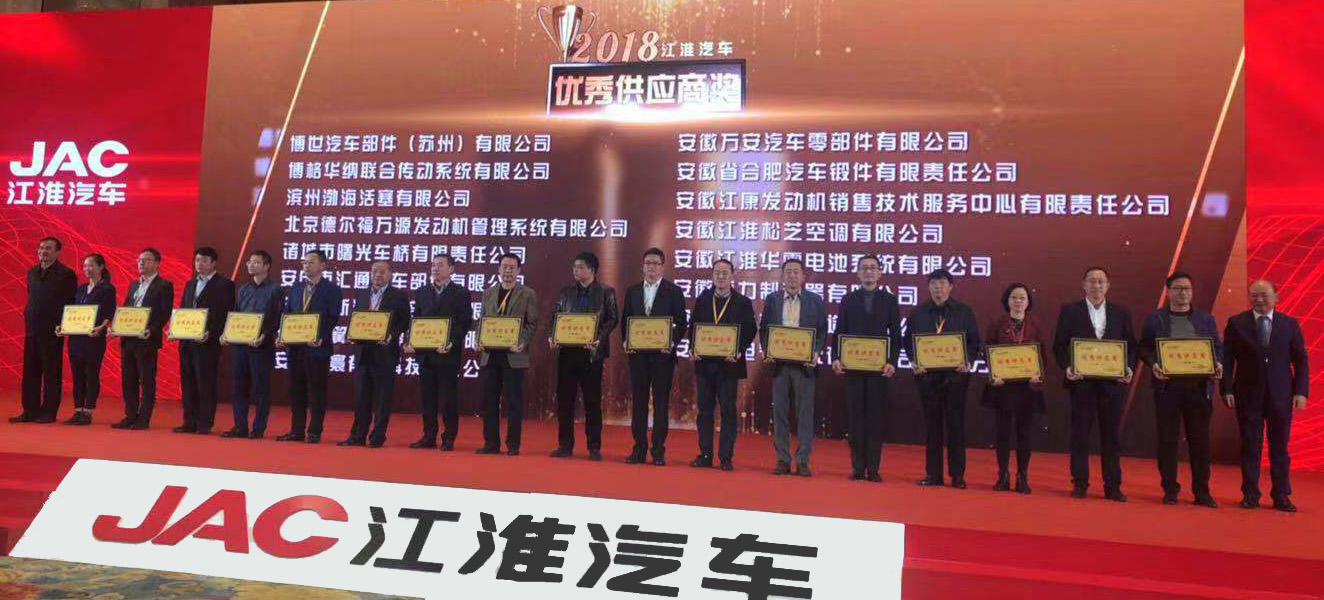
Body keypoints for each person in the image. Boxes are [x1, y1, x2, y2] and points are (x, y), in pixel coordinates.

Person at [1221, 280, 1310, 512]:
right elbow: (1227, 359)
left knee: (1279, 447)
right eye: (1254, 295)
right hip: (1247, 393)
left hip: (1281, 394)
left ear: (1276, 297)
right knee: (1250, 445)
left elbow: (1300, 360)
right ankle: (1250, 494)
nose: (1259, 299)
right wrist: (1227, 389)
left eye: (1264, 295)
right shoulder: (1236, 323)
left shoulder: (1289, 324)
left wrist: (1301, 392)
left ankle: (1281, 495)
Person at [1138, 272, 1223, 508]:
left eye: (1187, 288)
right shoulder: (1156, 318)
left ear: (1192, 292)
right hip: (1168, 387)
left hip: (1199, 388)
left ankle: (1202, 491)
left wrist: (1218, 363)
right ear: (1168, 292)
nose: (1183, 293)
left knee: (1200, 441)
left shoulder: (1205, 320)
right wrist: (1154, 364)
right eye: (1178, 288)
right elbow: (1144, 347)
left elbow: (1217, 348)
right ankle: (1170, 489)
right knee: (1167, 440)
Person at [1052, 266, 1137, 502]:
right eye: (1092, 281)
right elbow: (1059, 345)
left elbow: (1131, 345)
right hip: (1082, 384)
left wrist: (1128, 368)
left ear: (1108, 285)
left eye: (1101, 281)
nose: (1096, 285)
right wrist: (1068, 367)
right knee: (1080, 435)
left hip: (1112, 385)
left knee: (1111, 437)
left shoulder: (1121, 312)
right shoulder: (1070, 311)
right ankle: (1080, 483)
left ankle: (1113, 486)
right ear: (1083, 285)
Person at [905, 268, 981, 488]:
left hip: (956, 377)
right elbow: (908, 341)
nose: (938, 287)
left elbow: (974, 342)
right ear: (929, 287)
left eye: (942, 283)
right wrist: (914, 361)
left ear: (951, 287)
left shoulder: (964, 311)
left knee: (956, 425)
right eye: (934, 283)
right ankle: (934, 474)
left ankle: (957, 475)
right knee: (932, 427)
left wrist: (967, 360)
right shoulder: (918, 313)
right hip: (928, 378)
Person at [831, 254, 902, 483]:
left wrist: (892, 360)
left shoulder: (889, 300)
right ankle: (857, 467)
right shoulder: (848, 299)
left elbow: (896, 335)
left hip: (878, 369)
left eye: (873, 268)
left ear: (880, 272)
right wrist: (836, 357)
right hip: (853, 368)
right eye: (864, 268)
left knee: (874, 418)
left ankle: (873, 468)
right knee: (855, 418)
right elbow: (839, 331)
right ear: (858, 273)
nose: (869, 271)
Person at [759, 258, 828, 477]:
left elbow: (822, 331)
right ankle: (782, 459)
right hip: (779, 366)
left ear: (803, 276)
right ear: (782, 276)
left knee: (805, 414)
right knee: (779, 413)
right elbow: (764, 329)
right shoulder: (772, 300)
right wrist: (767, 350)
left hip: (804, 367)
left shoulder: (815, 300)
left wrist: (816, 352)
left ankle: (803, 460)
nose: (792, 275)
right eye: (788, 271)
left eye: (796, 272)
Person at [548, 251, 619, 461]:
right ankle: (565, 445)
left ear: (592, 270)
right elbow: (556, 317)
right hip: (568, 353)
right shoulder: (566, 292)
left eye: (580, 267)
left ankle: (594, 447)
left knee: (592, 401)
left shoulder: (606, 292)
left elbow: (612, 318)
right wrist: (553, 336)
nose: (576, 270)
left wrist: (599, 337)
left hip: (592, 354)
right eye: (574, 267)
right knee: (565, 400)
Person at [619, 247, 688, 466]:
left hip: (662, 357)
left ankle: (658, 450)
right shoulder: (633, 291)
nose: (651, 267)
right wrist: (626, 341)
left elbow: (682, 323)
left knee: (661, 403)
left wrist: (672, 342)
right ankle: (638, 449)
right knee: (638, 402)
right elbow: (625, 320)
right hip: (638, 356)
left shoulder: (674, 291)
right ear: (643, 266)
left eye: (655, 263)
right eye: (648, 263)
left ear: (662, 267)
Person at [688, 259, 757, 472]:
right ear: (712, 276)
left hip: (729, 366)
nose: (720, 276)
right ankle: (705, 454)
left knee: (728, 411)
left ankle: (726, 457)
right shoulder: (703, 299)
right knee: (704, 411)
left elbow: (750, 330)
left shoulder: (742, 302)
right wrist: (693, 348)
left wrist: (739, 350)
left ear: (732, 276)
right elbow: (694, 327)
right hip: (705, 365)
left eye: (725, 273)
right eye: (717, 272)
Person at [981, 283, 1047, 494]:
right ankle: (1003, 475)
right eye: (1014, 297)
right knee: (1003, 433)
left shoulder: (1035, 326)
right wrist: (994, 374)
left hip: (1027, 388)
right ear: (1007, 301)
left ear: (1028, 302)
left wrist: (1038, 375)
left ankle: (1022, 476)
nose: (1018, 301)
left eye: (1022, 298)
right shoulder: (997, 324)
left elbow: (1042, 356)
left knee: (1024, 434)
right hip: (1003, 388)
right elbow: (988, 352)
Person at [404, 254, 472, 451]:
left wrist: (451, 342)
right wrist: (410, 341)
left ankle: (449, 437)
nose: (435, 268)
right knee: (427, 399)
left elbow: (464, 323)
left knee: (448, 399)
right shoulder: (422, 292)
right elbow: (416, 320)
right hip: (425, 355)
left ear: (451, 269)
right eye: (433, 265)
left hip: (447, 353)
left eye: (440, 265)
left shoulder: (461, 293)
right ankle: (429, 436)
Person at [340, 261, 410, 448]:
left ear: (390, 275)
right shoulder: (362, 293)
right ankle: (357, 435)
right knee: (361, 397)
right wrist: (351, 333)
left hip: (385, 353)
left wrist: (392, 334)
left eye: (382, 272)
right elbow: (357, 318)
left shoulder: (399, 296)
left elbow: (405, 322)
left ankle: (377, 436)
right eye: (374, 272)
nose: (377, 275)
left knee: (382, 399)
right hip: (363, 352)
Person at [476, 252, 539, 456]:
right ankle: (491, 443)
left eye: (512, 267)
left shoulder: (528, 294)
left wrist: (523, 342)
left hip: (514, 355)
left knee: (514, 402)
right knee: (489, 401)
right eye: (504, 266)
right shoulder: (489, 293)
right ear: (498, 269)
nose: (508, 271)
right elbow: (482, 320)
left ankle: (513, 444)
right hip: (490, 354)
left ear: (519, 270)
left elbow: (532, 323)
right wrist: (479, 340)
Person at [276, 250, 342, 444]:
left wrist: (320, 336)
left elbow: (332, 317)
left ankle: (314, 431)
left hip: (317, 348)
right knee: (296, 390)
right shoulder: (296, 287)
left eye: (311, 262)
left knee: (317, 391)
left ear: (323, 266)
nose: (306, 265)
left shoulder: (332, 290)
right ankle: (296, 430)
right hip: (295, 347)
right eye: (304, 262)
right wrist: (282, 335)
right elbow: (288, 314)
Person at [11, 236, 76, 423]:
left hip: (53, 330)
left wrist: (64, 325)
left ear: (57, 252)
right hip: (32, 328)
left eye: (48, 248)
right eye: (41, 248)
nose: (43, 251)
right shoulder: (32, 272)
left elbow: (70, 302)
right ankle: (29, 410)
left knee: (51, 371)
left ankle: (48, 411)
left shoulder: (66, 274)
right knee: (30, 370)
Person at [222, 250, 284, 439]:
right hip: (241, 345)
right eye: (249, 262)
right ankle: (240, 426)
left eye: (256, 262)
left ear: (267, 266)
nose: (251, 265)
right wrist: (227, 333)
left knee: (261, 388)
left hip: (261, 346)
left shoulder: (275, 290)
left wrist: (265, 335)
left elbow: (277, 318)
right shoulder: (243, 290)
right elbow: (236, 315)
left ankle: (258, 428)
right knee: (239, 386)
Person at [175, 247, 235, 435]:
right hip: (187, 340)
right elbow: (183, 309)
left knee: (205, 382)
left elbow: (226, 314)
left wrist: (212, 333)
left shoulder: (225, 284)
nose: (199, 264)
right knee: (188, 382)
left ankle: (204, 423)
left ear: (213, 263)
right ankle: (189, 421)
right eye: (197, 260)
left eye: (204, 261)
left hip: (208, 342)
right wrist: (177, 329)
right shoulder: (190, 283)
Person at [114, 248, 174, 430]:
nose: (141, 263)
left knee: (146, 380)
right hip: (128, 338)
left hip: (147, 339)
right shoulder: (134, 284)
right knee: (128, 379)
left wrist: (152, 330)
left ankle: (144, 418)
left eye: (146, 260)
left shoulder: (164, 285)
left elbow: (164, 313)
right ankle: (130, 416)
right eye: (139, 260)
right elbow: (126, 309)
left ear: (157, 263)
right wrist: (117, 328)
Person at [60, 254, 116, 426]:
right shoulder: (81, 289)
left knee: (91, 373)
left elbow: (109, 313)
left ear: (101, 267)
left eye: (91, 265)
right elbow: (72, 312)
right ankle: (78, 410)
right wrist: (63, 327)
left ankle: (88, 410)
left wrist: (101, 327)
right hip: (76, 338)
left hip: (94, 338)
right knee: (77, 374)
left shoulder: (107, 289)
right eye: (85, 266)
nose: (87, 269)